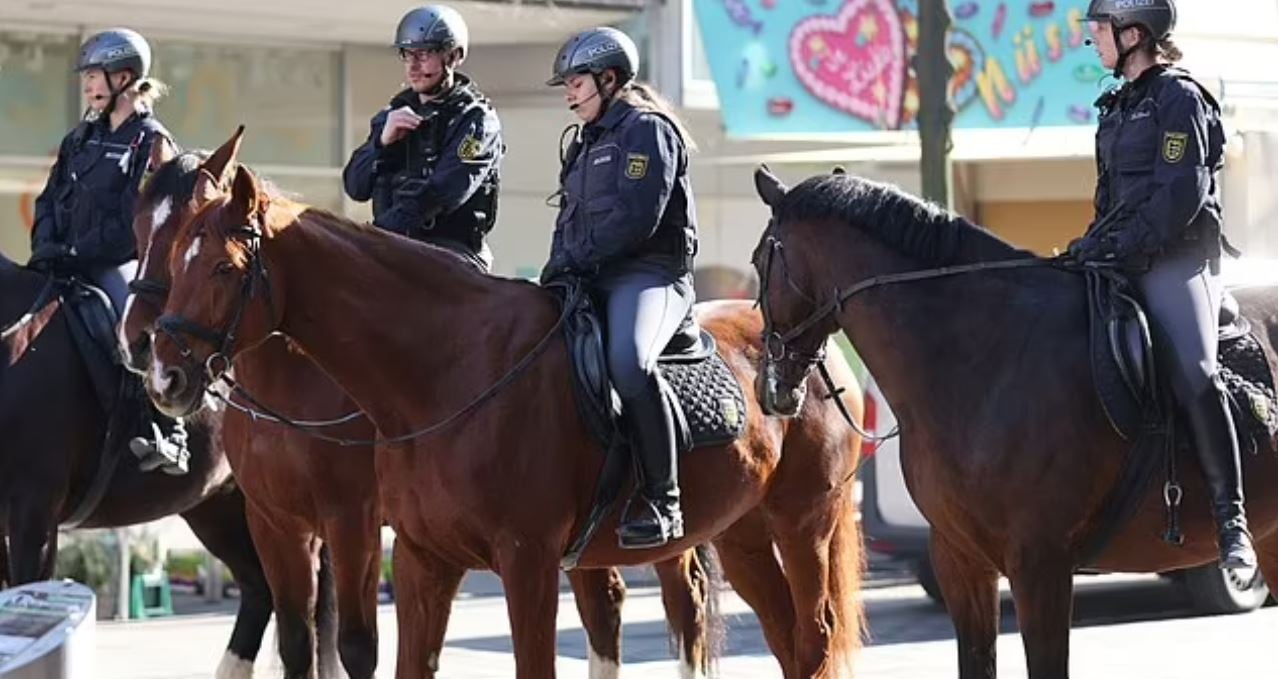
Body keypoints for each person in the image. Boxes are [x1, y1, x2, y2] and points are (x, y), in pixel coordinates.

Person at [1069, 0, 1254, 569]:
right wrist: (1091, 245)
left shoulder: (1180, 98)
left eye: (1098, 30)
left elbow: (1180, 194)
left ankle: (1231, 520)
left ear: (1133, 33)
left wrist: (1124, 246)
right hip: (1116, 256)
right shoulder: (1118, 106)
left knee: (1198, 375)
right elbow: (1110, 197)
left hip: (1175, 260)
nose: (1091, 41)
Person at [541, 27, 699, 549]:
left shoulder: (646, 130)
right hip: (590, 274)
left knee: (629, 362)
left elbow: (637, 220)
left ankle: (663, 498)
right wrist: (554, 270)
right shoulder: (584, 141)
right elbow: (568, 220)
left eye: (575, 82)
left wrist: (574, 259)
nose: (568, 93)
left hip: (649, 274)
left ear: (607, 79)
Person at [28, 28, 189, 475]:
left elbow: (136, 222)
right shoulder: (79, 138)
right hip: (61, 259)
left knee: (134, 332)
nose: (87, 85)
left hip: (118, 264)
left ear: (125, 77)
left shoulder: (153, 143)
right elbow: (50, 196)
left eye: (95, 76)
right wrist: (45, 244)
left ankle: (165, 431)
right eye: (87, 77)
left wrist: (80, 248)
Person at [342, 5, 503, 271]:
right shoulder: (394, 113)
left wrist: (373, 235)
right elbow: (355, 187)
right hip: (393, 249)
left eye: (424, 54)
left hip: (452, 254)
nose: (413, 66)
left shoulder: (476, 120)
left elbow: (441, 193)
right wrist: (380, 144)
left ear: (453, 56)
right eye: (407, 55)